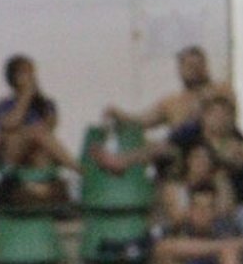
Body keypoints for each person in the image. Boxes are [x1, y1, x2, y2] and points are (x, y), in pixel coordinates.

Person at [100, 45, 234, 171]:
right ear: (180, 69)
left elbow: (220, 120)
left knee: (166, 146)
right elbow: (141, 121)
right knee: (154, 145)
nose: (194, 70)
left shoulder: (220, 90)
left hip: (214, 148)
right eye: (189, 66)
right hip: (179, 153)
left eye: (198, 65)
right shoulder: (172, 102)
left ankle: (122, 161)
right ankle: (120, 162)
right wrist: (119, 114)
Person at [0, 55, 80, 203]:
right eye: (23, 73)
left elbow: (49, 130)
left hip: (38, 154)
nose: (29, 77)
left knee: (39, 137)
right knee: (26, 133)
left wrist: (36, 102)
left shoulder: (46, 104)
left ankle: (45, 185)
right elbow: (10, 124)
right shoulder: (3, 105)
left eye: (31, 72)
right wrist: (25, 96)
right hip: (14, 153)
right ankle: (78, 169)